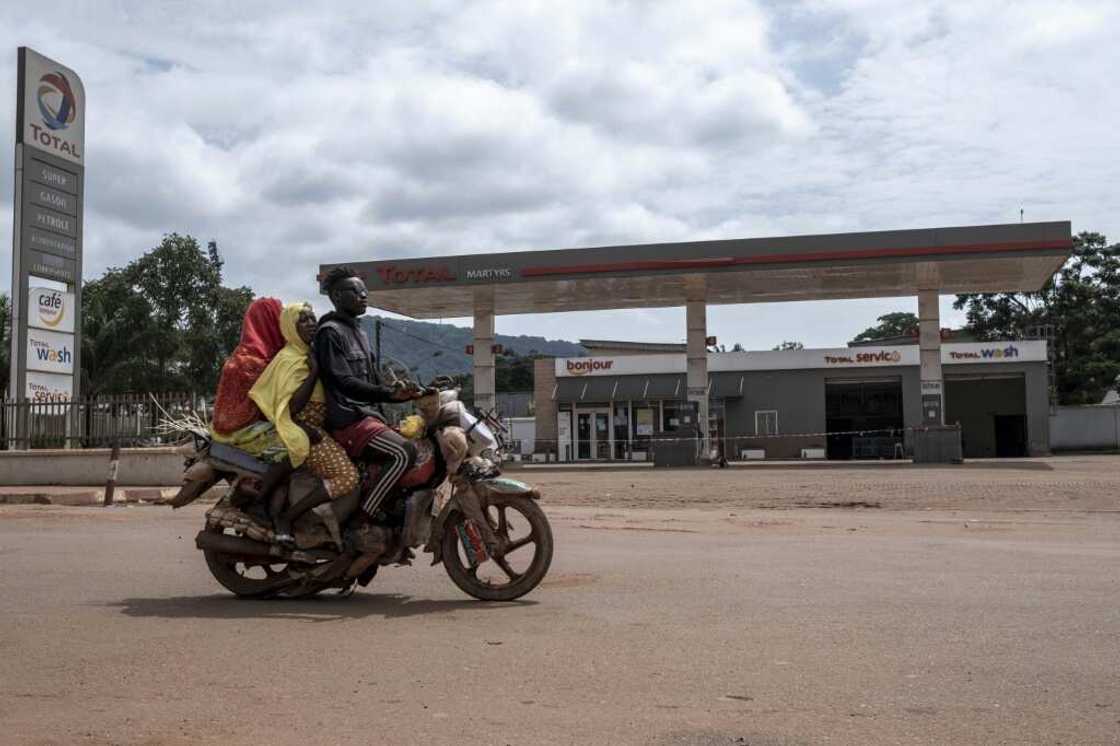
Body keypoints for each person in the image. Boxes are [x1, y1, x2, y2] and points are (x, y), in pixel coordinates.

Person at [315, 266, 421, 518]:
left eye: (364, 290)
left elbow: (374, 380)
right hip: (348, 419)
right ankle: (366, 515)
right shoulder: (330, 332)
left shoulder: (359, 332)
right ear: (338, 297)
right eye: (356, 291)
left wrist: (404, 391)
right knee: (405, 452)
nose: (363, 295)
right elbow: (343, 381)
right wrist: (387, 394)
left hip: (368, 416)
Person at [249, 303, 360, 527]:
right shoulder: (288, 359)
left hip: (321, 426)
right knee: (348, 478)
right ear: (290, 326)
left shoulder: (310, 352)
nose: (311, 323)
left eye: (312, 318)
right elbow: (291, 408)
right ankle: (287, 519)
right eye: (303, 320)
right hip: (302, 429)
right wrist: (313, 373)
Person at [212, 297, 285, 436]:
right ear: (272, 322)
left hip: (221, 431)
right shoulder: (271, 362)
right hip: (250, 432)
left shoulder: (237, 356)